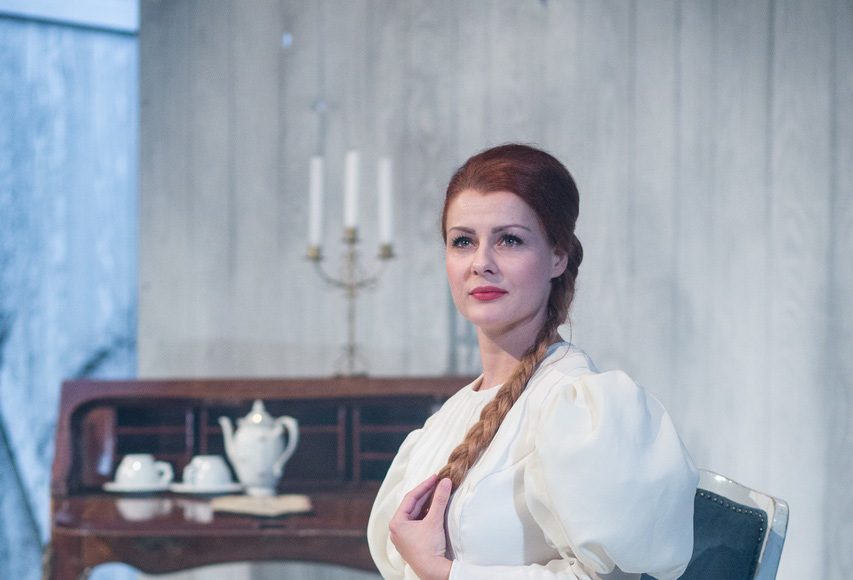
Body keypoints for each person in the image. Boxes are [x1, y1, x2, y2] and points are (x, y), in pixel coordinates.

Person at [367, 144, 698, 580]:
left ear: (558, 256)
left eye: (509, 240)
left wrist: (444, 573)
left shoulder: (579, 409)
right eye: (463, 241)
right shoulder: (449, 419)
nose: (481, 263)